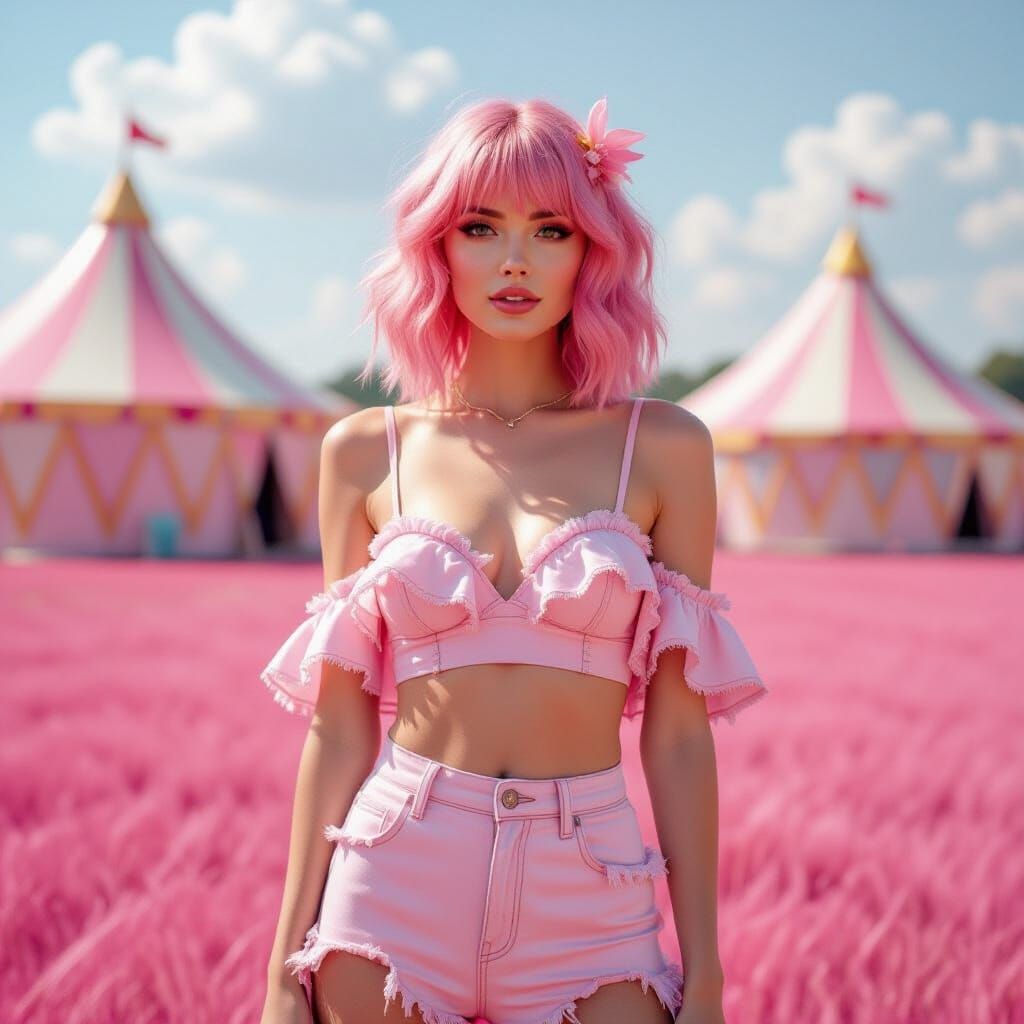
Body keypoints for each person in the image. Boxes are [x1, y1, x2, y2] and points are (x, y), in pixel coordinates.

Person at [258, 96, 767, 1024]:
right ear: (436, 247)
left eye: (552, 228)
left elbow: (681, 734)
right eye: (481, 227)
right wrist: (280, 969)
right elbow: (336, 729)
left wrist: (710, 974)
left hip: (594, 887)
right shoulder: (366, 450)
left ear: (593, 250)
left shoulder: (662, 446)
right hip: (391, 877)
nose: (516, 259)